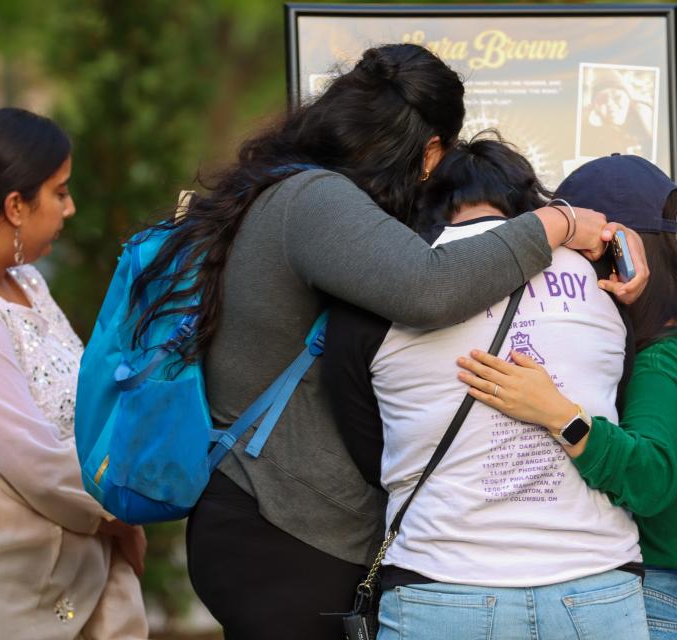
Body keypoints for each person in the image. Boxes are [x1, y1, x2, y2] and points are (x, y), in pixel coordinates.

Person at [124, 44, 618, 639]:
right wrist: (557, 224)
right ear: (431, 150)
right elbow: (428, 287)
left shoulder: (287, 192)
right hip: (285, 530)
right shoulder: (313, 201)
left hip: (268, 524)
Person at [323, 135, 651, 640]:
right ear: (527, 202)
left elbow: (366, 441)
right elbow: (617, 395)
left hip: (443, 583)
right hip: (597, 585)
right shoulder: (601, 284)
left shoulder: (386, 287)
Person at [458, 154, 677, 640]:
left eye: (577, 244)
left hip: (651, 603)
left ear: (619, 250)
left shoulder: (658, 358)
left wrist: (559, 415)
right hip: (665, 598)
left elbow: (651, 478)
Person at [0, 108, 148, 639]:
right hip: (23, 577)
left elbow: (84, 398)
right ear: (16, 205)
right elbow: (30, 456)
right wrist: (118, 514)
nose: (70, 207)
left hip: (89, 558)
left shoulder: (29, 283)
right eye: (59, 192)